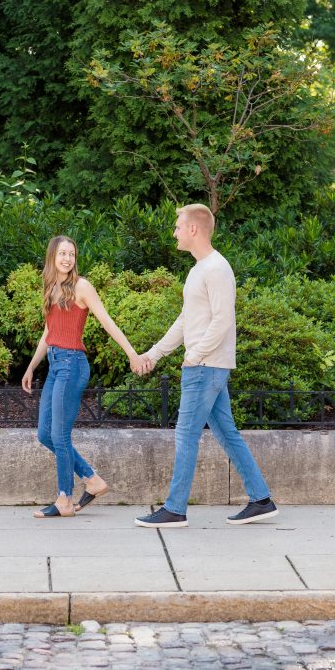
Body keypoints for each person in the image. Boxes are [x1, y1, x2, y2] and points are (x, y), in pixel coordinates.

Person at [133, 204, 278, 528]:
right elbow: (187, 320)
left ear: (194, 229)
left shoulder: (217, 268)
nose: (175, 232)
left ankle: (174, 509)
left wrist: (195, 355)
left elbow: (223, 319)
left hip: (205, 367)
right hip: (205, 365)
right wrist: (154, 354)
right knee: (226, 432)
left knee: (185, 434)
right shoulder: (199, 269)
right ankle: (261, 499)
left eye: (178, 226)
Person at [22, 235, 148, 518]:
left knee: (60, 436)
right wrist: (31, 366)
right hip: (55, 364)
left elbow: (107, 321)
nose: (67, 259)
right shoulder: (52, 286)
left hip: (73, 365)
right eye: (62, 254)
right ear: (52, 256)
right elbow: (48, 332)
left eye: (72, 254)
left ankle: (64, 499)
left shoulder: (82, 286)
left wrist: (132, 353)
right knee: (45, 434)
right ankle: (92, 480)